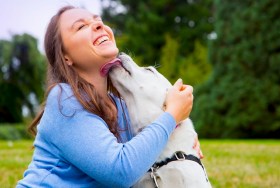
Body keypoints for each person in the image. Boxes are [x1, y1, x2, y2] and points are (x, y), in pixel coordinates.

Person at [17, 6, 202, 188]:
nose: (99, 25)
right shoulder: (64, 99)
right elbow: (120, 172)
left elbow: (145, 146)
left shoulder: (121, 106)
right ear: (66, 57)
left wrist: (181, 140)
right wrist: (171, 117)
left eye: (98, 20)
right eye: (81, 26)